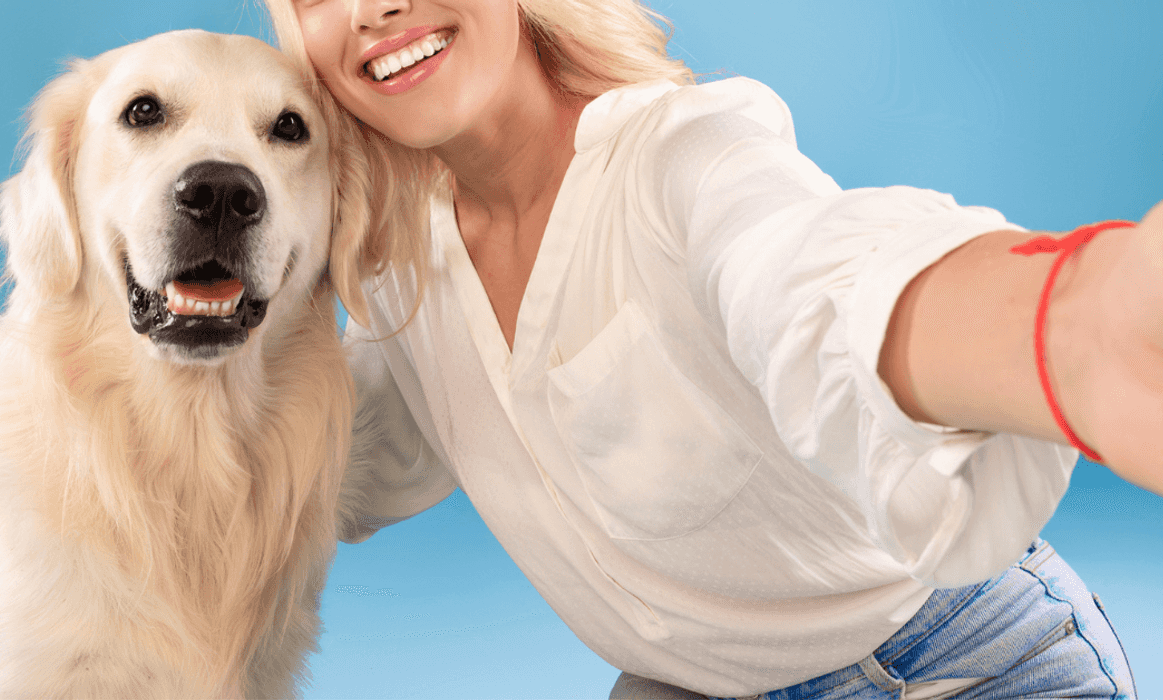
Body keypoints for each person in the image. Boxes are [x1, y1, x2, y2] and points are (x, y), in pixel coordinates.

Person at [262, 0, 1158, 697]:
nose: (373, 8)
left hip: (957, 665)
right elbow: (326, 466)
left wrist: (1068, 323)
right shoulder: (400, 269)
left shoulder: (680, 158)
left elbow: (812, 286)